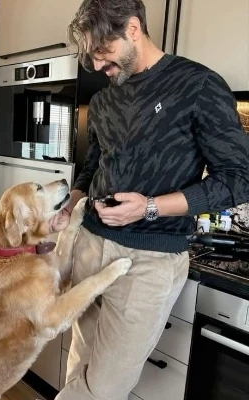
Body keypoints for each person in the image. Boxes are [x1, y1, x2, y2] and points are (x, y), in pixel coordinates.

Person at [48, 1, 249, 399]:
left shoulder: (198, 86)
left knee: (104, 388)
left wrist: (150, 206)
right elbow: (93, 167)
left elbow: (238, 180)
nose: (98, 66)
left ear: (133, 29)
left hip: (149, 260)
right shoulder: (103, 102)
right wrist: (72, 203)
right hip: (90, 245)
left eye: (103, 52)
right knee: (79, 365)